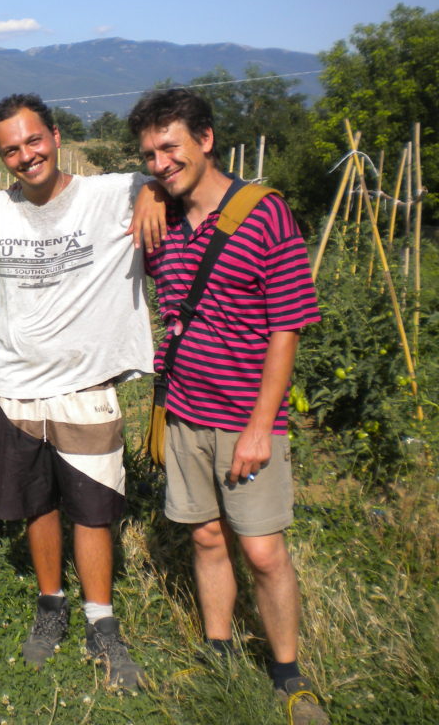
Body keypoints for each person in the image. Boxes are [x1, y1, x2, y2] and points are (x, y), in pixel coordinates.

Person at [128, 89, 328, 724]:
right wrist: (145, 188)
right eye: (150, 154)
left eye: (171, 148)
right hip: (185, 410)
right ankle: (217, 653)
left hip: (246, 418)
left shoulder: (263, 215)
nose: (161, 162)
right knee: (207, 536)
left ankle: (288, 675)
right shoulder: (160, 219)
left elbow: (287, 327)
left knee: (264, 551)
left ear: (207, 139)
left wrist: (261, 428)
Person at [0, 93, 157, 688]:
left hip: (86, 385)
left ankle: (101, 621)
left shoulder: (112, 193)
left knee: (94, 508)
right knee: (36, 503)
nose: (26, 156)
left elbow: (173, 172)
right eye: (11, 149)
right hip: (17, 386)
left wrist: (151, 188)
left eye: (33, 140)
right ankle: (50, 604)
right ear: (0, 157)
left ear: (55, 134)